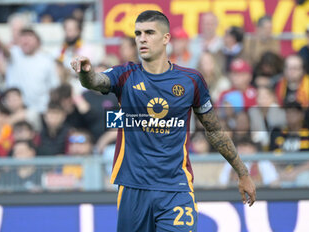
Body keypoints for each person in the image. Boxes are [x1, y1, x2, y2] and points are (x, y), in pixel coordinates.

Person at [71, 10, 256, 231]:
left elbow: (214, 130)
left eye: (149, 32)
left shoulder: (191, 80)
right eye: (138, 33)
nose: (142, 38)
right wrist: (85, 73)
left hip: (176, 188)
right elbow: (96, 81)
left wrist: (242, 172)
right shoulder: (125, 74)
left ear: (166, 38)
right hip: (133, 188)